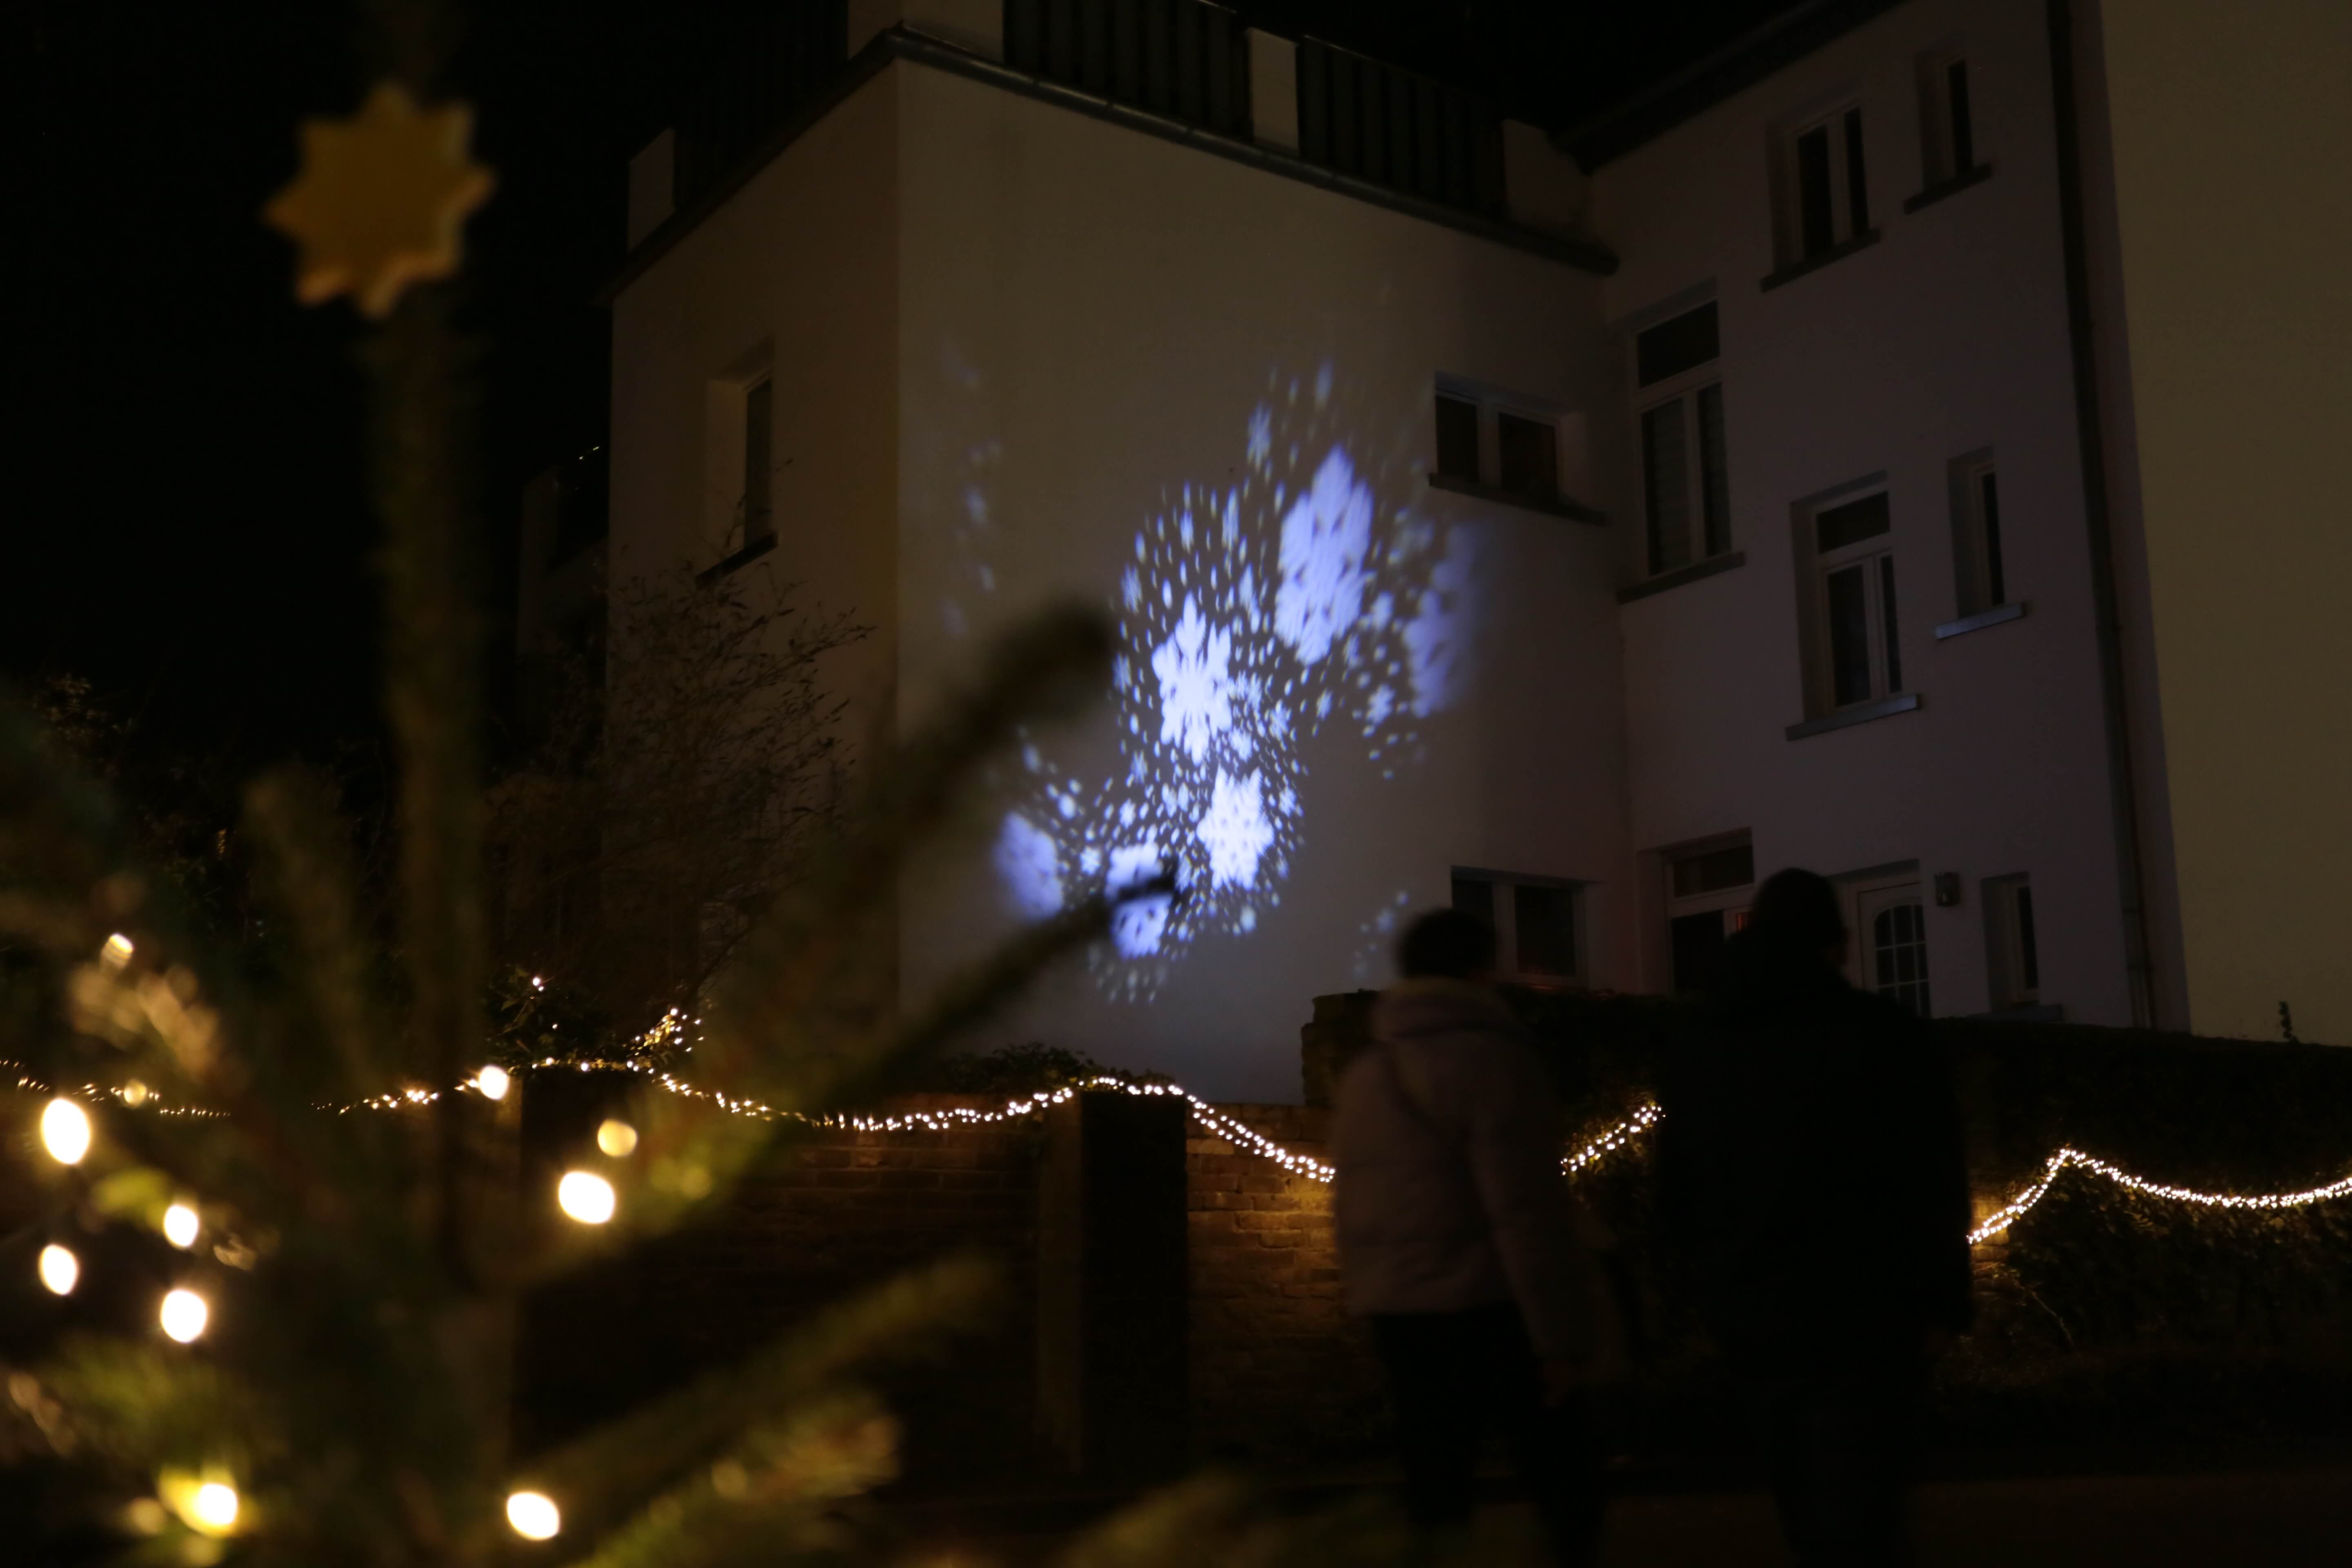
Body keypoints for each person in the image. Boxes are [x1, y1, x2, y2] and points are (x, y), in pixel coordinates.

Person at [1657, 868, 1973, 1566]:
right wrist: (1944, 1299)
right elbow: (1931, 1175)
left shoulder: (1699, 1042)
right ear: (1835, 944)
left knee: (1801, 1501)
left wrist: (1703, 1284)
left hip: (1753, 1310)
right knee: (1864, 1511)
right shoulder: (1882, 1035)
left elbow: (1677, 1183)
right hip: (1867, 1309)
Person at [1331, 907, 1615, 1566]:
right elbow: (1522, 1207)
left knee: (1435, 1482)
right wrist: (1557, 1337)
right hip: (1490, 1302)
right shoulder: (1492, 1060)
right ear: (1479, 969)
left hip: (1400, 1309)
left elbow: (1352, 1203)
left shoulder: (1366, 1070)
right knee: (1562, 1473)